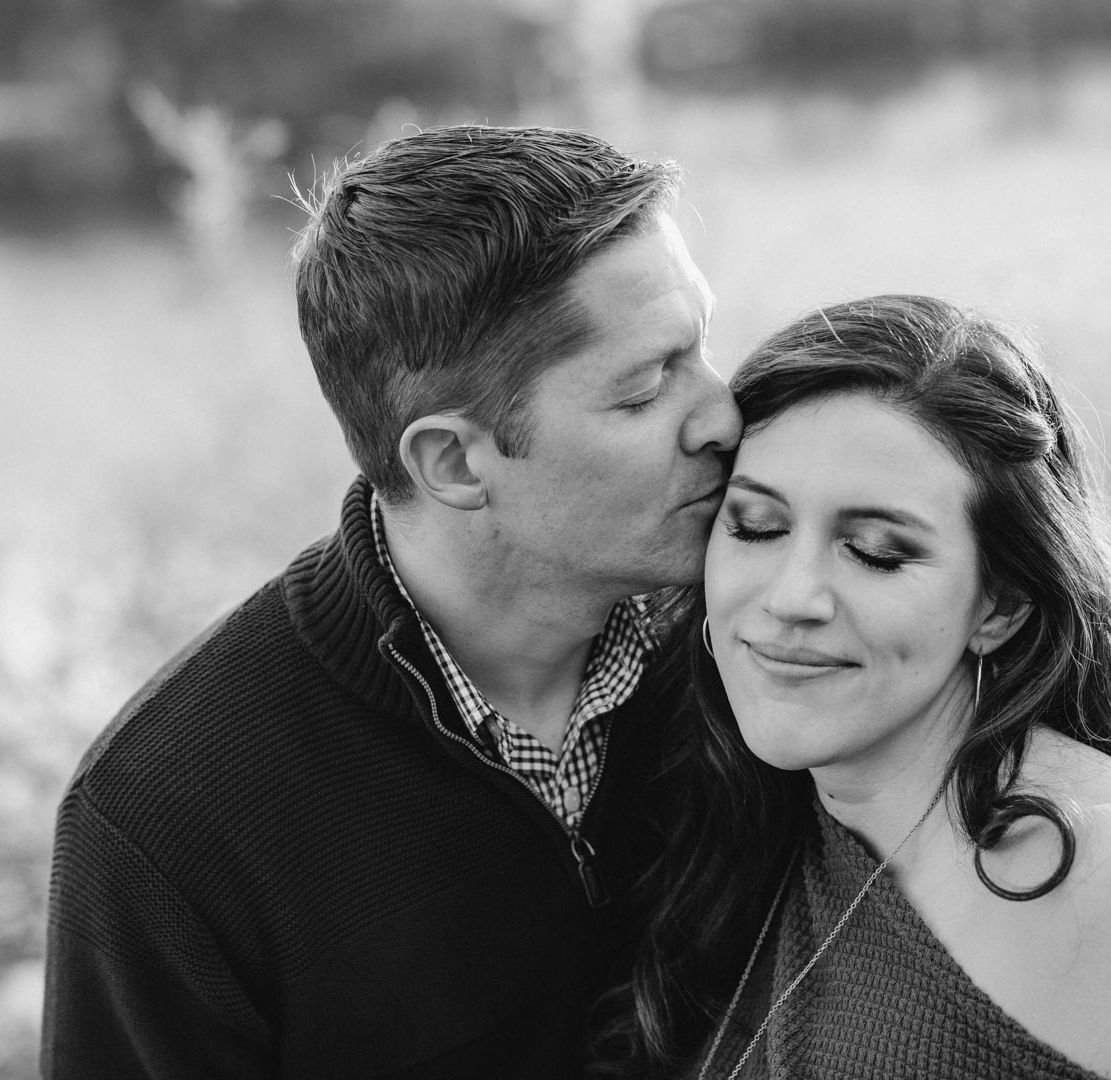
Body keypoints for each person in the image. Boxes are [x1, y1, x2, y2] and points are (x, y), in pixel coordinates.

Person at [41, 124, 740, 1079]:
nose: (724, 413)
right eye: (647, 387)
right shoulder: (166, 825)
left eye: (700, 346)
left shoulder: (756, 647)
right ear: (452, 462)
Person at [605, 295, 1111, 1079]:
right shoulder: (751, 803)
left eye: (874, 551)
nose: (791, 597)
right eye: (757, 528)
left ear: (1000, 606)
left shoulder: (1096, 870)